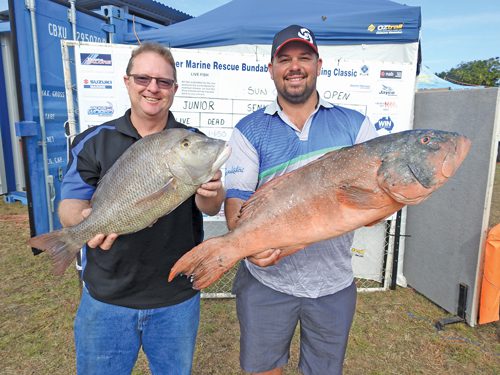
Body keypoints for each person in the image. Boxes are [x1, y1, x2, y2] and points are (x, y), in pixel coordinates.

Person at [58, 42, 224, 374]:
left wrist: (211, 190)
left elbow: (210, 206)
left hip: (175, 295)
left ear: (174, 88)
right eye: (143, 78)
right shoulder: (94, 140)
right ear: (127, 81)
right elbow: (69, 204)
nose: (153, 88)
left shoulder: (190, 140)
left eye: (163, 82)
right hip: (107, 298)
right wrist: (84, 224)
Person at [224, 25, 379, 375]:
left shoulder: (355, 126)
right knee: (264, 369)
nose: (295, 66)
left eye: (304, 58)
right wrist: (247, 244)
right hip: (267, 282)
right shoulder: (250, 129)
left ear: (319, 65)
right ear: (271, 69)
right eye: (285, 59)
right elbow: (236, 200)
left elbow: (372, 207)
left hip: (333, 284)